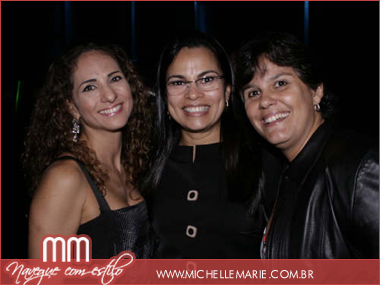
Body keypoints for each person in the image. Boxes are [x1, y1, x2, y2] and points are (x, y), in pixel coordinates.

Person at [234, 32, 379, 258]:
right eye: (253, 93)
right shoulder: (284, 175)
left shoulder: (358, 167)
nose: (265, 101)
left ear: (316, 91)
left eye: (280, 83)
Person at [23, 43, 156, 259]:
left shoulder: (136, 162)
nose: (110, 95)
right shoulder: (65, 177)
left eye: (114, 78)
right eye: (89, 87)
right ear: (72, 107)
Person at [143, 32, 263, 258]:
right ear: (164, 95)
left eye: (207, 79)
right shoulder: (144, 165)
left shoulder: (263, 162)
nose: (194, 94)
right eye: (178, 82)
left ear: (227, 90)